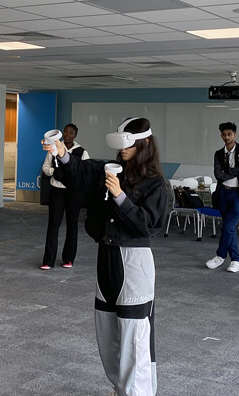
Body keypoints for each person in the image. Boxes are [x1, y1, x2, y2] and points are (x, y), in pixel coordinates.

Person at [44, 117, 169, 396]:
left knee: (134, 334)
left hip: (133, 260)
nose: (122, 150)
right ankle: (119, 387)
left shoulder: (155, 184)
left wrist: (120, 197)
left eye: (129, 145)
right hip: (107, 255)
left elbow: (148, 226)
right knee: (108, 329)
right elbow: (81, 173)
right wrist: (61, 153)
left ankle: (136, 392)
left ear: (144, 144)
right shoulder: (112, 171)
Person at [205, 122, 239, 273]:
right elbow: (218, 175)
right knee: (229, 227)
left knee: (228, 226)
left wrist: (227, 170)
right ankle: (235, 260)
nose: (227, 137)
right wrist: (235, 170)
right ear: (221, 135)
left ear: (235, 135)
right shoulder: (218, 154)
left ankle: (220, 256)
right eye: (224, 134)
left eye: (229, 134)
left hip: (238, 193)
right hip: (223, 192)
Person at [40, 123, 89, 270]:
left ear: (75, 135)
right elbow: (45, 167)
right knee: (53, 224)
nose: (67, 134)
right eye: (65, 132)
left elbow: (86, 172)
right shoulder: (53, 148)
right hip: (57, 191)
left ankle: (68, 259)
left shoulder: (82, 152)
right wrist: (54, 172)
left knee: (72, 225)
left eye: (71, 132)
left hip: (74, 192)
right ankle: (48, 261)